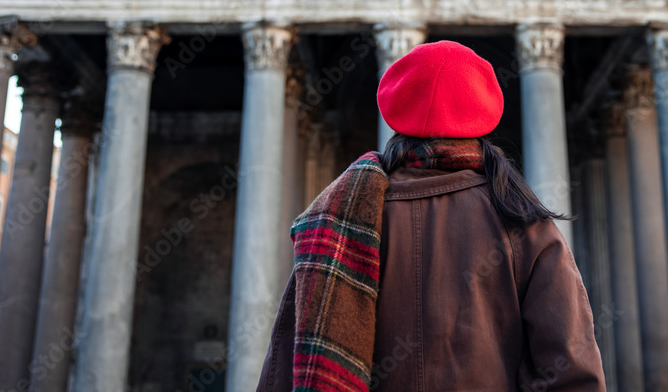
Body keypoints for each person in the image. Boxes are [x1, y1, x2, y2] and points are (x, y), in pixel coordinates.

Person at [256, 40, 605, 392]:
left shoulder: (339, 222)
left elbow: (284, 367)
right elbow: (572, 372)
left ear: (396, 111)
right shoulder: (525, 224)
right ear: (482, 114)